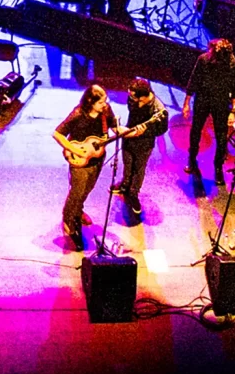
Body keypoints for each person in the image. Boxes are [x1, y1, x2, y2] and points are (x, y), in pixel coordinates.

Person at [53, 84, 121, 250]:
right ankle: (69, 219)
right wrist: (75, 150)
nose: (104, 104)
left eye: (105, 101)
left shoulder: (106, 111)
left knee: (87, 189)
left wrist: (129, 131)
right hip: (80, 161)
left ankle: (78, 211)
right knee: (77, 192)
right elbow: (57, 133)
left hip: (96, 158)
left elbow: (114, 127)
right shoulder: (78, 114)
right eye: (101, 102)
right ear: (91, 102)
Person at [183, 38, 235, 185]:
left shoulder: (233, 64)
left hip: (221, 102)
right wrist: (187, 103)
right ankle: (192, 159)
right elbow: (194, 80)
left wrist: (233, 110)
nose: (209, 52)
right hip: (203, 98)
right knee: (196, 129)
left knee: (221, 137)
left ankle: (218, 168)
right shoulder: (203, 60)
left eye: (212, 51)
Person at [113, 78, 168, 217]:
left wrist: (145, 131)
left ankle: (133, 193)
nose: (130, 99)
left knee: (139, 169)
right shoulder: (133, 98)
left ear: (143, 96)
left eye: (134, 97)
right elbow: (132, 109)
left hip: (144, 144)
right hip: (129, 136)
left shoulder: (159, 110)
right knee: (127, 163)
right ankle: (124, 184)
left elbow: (162, 129)